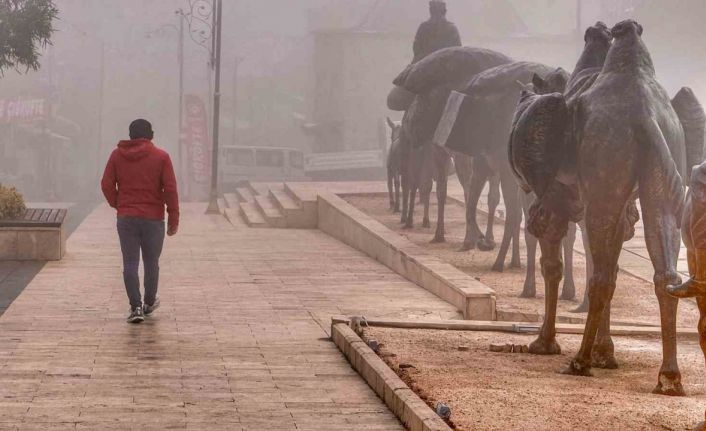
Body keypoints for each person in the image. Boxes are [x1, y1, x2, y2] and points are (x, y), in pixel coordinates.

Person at [101, 119, 179, 324]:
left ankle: (135, 306)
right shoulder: (161, 157)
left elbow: (106, 184)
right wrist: (174, 218)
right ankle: (149, 302)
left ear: (130, 135)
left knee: (130, 262)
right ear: (150, 134)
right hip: (153, 219)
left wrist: (119, 204)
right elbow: (170, 189)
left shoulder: (117, 156)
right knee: (152, 262)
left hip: (127, 218)